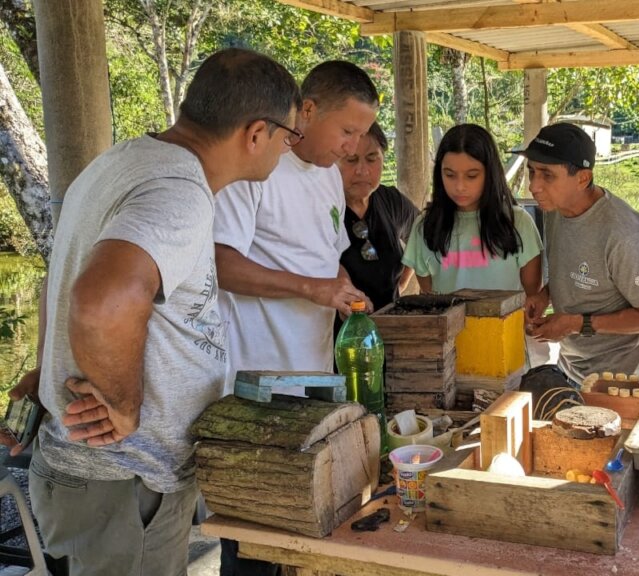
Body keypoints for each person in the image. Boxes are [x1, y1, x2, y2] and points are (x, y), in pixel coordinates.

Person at [0, 48, 301, 576]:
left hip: (102, 484)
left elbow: (58, 280)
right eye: (287, 137)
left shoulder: (123, 161)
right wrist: (122, 403)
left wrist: (47, 367)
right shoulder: (178, 191)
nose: (285, 150)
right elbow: (99, 299)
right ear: (257, 134)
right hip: (120, 483)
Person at [213, 60, 379, 576]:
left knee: (309, 531)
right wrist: (314, 288)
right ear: (307, 110)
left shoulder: (328, 175)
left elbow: (323, 255)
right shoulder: (258, 166)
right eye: (347, 131)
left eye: (361, 134)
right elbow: (221, 262)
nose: (353, 148)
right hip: (256, 385)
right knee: (254, 536)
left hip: (314, 378)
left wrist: (344, 290)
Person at [519, 122, 639, 385]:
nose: (534, 186)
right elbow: (580, 271)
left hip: (614, 382)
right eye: (531, 172)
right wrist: (545, 295)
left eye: (547, 175)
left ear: (583, 178)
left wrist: (576, 324)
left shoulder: (623, 235)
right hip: (569, 367)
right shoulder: (555, 210)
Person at [402, 123, 543, 297]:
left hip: (506, 324)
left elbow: (532, 298)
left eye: (472, 176)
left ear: (490, 173)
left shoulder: (518, 222)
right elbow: (430, 295)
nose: (460, 186)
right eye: (450, 175)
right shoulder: (426, 226)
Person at [338, 121, 419, 311]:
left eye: (372, 158)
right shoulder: (324, 205)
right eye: (351, 160)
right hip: (340, 334)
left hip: (390, 327)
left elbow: (422, 237)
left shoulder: (391, 201)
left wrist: (401, 285)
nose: (362, 170)